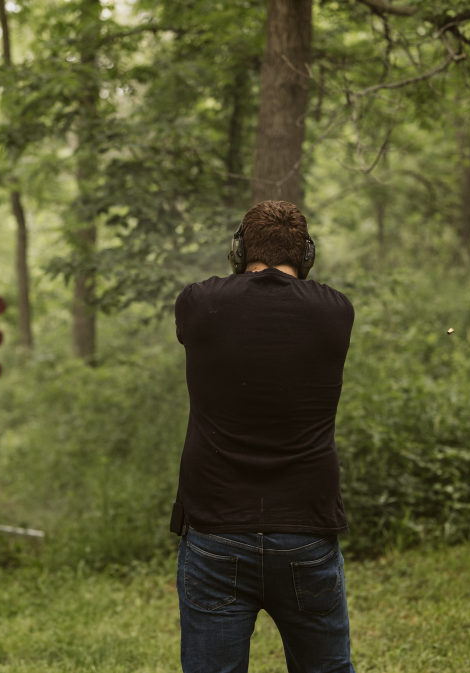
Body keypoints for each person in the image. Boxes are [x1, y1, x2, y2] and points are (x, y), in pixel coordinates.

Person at [170, 201, 355, 673]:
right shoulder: (335, 312)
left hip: (215, 530)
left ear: (238, 250)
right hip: (306, 529)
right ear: (306, 255)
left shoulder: (198, 303)